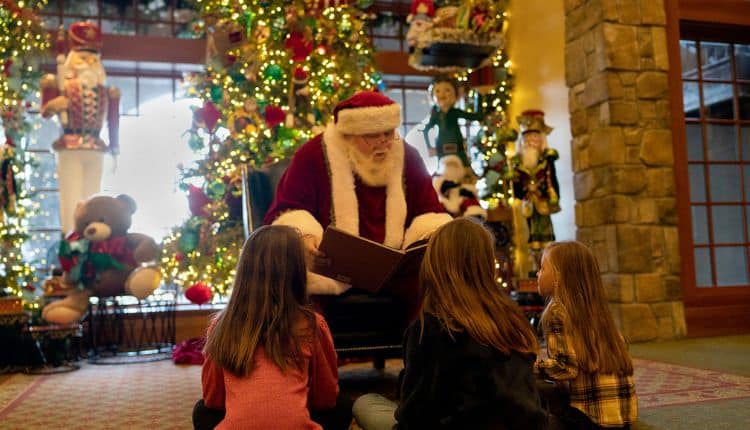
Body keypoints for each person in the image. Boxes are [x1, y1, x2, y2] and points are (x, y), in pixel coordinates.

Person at [352, 217, 548, 430]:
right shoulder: (513, 320)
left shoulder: (431, 328)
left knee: (365, 402)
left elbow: (414, 415)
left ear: (434, 264)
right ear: (486, 265)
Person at [263, 90, 451, 310]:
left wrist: (427, 239)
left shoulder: (407, 156)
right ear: (348, 135)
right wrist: (305, 238)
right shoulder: (313, 155)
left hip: (398, 279)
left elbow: (430, 212)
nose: (383, 143)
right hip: (330, 274)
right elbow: (287, 211)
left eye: (389, 133)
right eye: (372, 135)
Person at [194, 225, 351, 430]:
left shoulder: (221, 326)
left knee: (201, 411)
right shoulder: (313, 325)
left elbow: (213, 400)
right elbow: (325, 398)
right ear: (297, 272)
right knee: (343, 406)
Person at [535, 241, 638, 429]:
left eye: (542, 268)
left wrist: (531, 367)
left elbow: (566, 368)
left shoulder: (558, 311)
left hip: (589, 420)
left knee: (530, 384)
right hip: (623, 420)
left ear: (559, 277)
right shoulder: (596, 309)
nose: (537, 273)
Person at [40, 22, 120, 235]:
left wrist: (115, 147)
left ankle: (91, 241)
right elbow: (45, 112)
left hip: (96, 146)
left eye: (92, 58)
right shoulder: (59, 86)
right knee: (71, 198)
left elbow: (113, 121)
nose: (88, 63)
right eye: (83, 58)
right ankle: (70, 241)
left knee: (94, 197)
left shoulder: (107, 91)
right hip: (70, 144)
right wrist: (55, 104)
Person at [422, 75, 483, 172]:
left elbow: (477, 116)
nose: (442, 95)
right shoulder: (436, 114)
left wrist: (479, 94)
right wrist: (429, 147)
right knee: (443, 174)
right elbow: (425, 130)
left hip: (458, 150)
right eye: (437, 91)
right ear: (432, 94)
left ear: (455, 93)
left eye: (447, 90)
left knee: (465, 173)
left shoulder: (455, 112)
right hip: (442, 151)